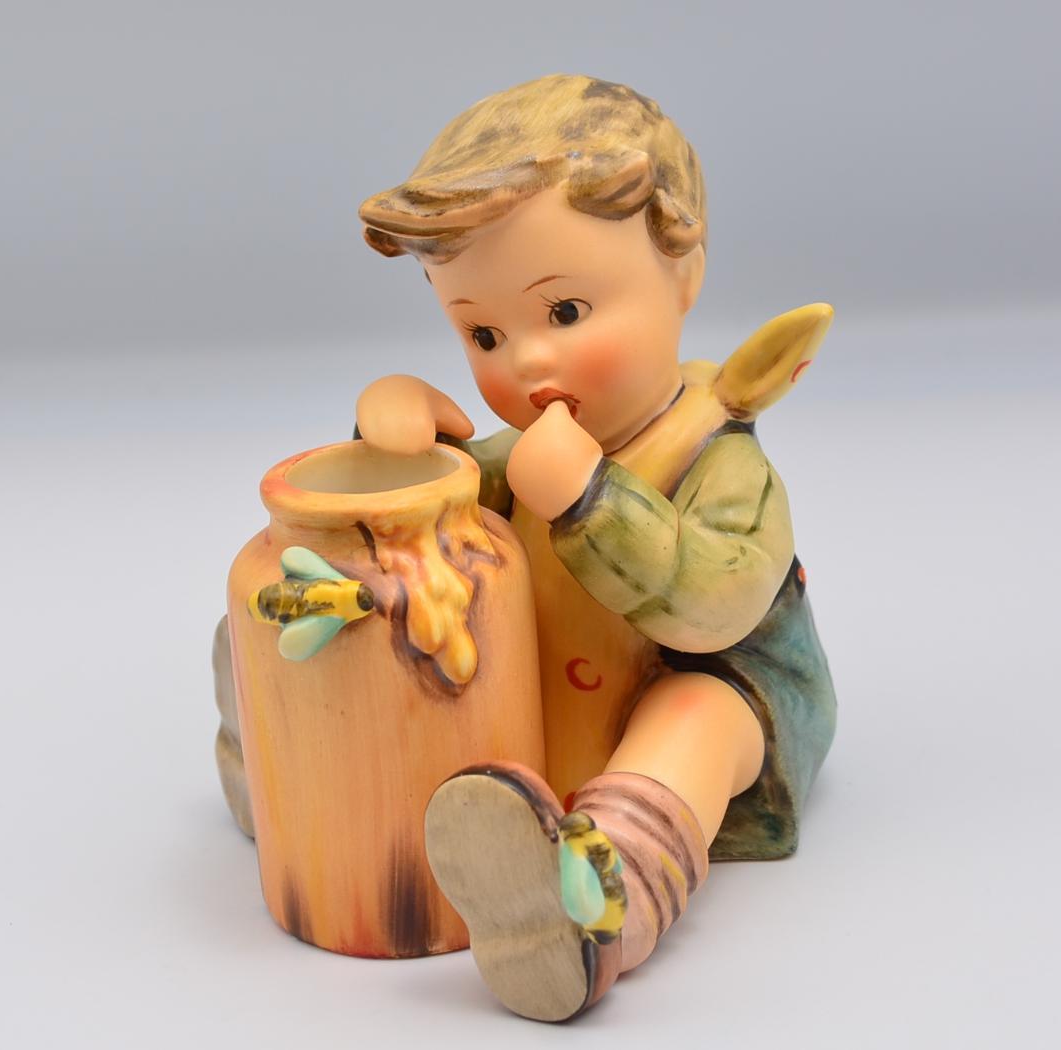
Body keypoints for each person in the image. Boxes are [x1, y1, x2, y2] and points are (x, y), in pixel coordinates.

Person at [357, 73, 837, 1022]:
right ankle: (303, 768)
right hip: (550, 721)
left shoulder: (716, 457)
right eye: (483, 332)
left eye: (566, 312)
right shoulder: (519, 459)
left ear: (682, 275)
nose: (526, 360)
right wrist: (403, 447)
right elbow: (441, 524)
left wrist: (593, 502)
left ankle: (597, 909)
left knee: (692, 715)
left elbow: (716, 603)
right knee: (399, 602)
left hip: (726, 699)